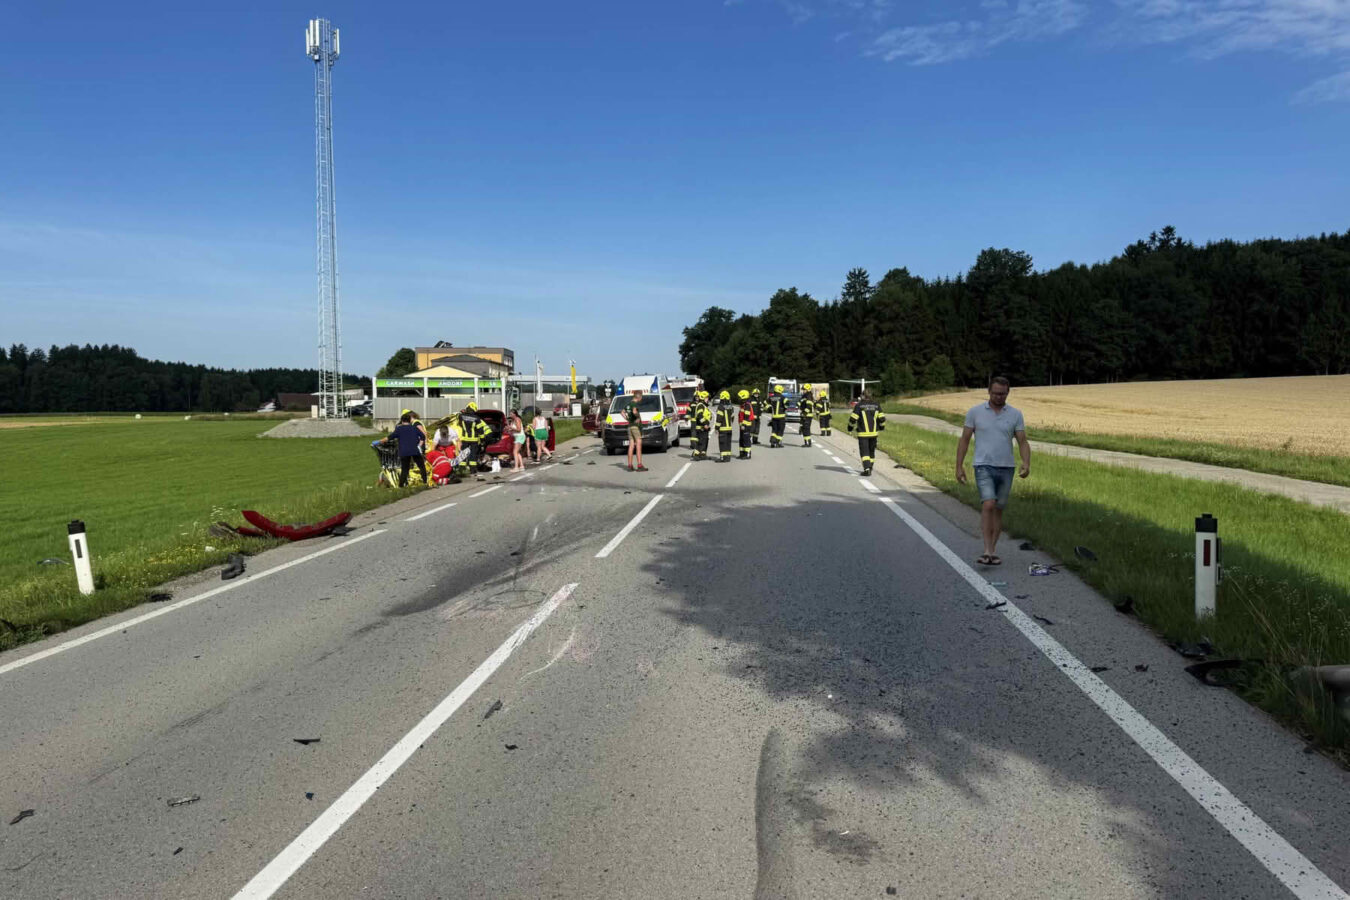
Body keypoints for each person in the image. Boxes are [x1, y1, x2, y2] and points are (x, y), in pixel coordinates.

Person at [955, 376, 1031, 567]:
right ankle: (987, 549)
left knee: (998, 509)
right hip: (983, 466)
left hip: (1007, 467)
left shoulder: (1015, 414)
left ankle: (992, 551)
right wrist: (959, 466)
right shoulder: (975, 412)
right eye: (996, 393)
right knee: (988, 504)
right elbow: (964, 439)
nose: (999, 397)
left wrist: (1026, 463)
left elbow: (1022, 441)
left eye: (1003, 394)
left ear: (1008, 393)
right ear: (989, 391)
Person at [847, 391, 886, 477]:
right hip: (874, 434)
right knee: (871, 452)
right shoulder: (876, 405)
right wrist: (882, 427)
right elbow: (882, 419)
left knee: (865, 452)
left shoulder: (859, 405)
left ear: (863, 396)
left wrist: (850, 427)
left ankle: (867, 469)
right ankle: (870, 467)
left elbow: (853, 419)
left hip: (863, 434)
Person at [455, 402, 492, 479]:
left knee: (463, 454)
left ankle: (462, 470)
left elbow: (459, 422)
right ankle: (472, 471)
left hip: (465, 438)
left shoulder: (461, 416)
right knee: (473, 455)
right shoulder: (477, 418)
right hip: (474, 439)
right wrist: (482, 439)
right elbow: (480, 430)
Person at [392, 412, 428, 487]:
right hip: (415, 449)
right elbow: (423, 436)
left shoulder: (415, 424)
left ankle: (401, 485)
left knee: (405, 468)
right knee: (421, 465)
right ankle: (425, 482)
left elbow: (392, 437)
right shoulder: (414, 426)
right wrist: (420, 445)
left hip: (406, 450)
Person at [625, 390, 647, 472]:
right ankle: (639, 465)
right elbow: (634, 411)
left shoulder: (628, 404)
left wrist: (628, 419)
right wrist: (637, 417)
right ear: (639, 397)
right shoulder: (635, 404)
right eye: (641, 397)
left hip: (629, 426)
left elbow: (622, 412)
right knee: (638, 445)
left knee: (631, 446)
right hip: (635, 427)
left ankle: (630, 465)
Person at [715, 390, 735, 462]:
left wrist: (716, 428)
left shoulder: (720, 407)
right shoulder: (730, 406)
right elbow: (732, 417)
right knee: (728, 443)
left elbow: (719, 419)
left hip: (723, 429)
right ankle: (728, 457)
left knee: (722, 443)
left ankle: (723, 458)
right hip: (729, 428)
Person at [693, 390, 713, 461]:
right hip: (701, 427)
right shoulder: (700, 405)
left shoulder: (704, 406)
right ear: (703, 398)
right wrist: (704, 424)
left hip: (705, 427)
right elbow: (700, 416)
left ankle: (703, 454)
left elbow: (707, 415)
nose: (708, 399)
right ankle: (696, 455)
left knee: (705, 441)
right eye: (707, 398)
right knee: (701, 441)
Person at [737, 389, 755, 459]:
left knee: (746, 440)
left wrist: (743, 425)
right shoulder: (743, 405)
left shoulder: (747, 405)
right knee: (741, 439)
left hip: (746, 426)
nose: (739, 398)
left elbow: (746, 417)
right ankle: (742, 453)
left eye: (740, 397)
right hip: (742, 426)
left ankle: (747, 454)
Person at [798, 382, 816, 447]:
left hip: (807, 415)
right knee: (804, 429)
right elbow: (801, 402)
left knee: (806, 429)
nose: (803, 390)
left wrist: (804, 414)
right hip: (804, 414)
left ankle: (809, 443)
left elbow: (809, 406)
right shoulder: (804, 395)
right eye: (803, 389)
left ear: (808, 389)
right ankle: (806, 443)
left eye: (804, 389)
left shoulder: (809, 396)